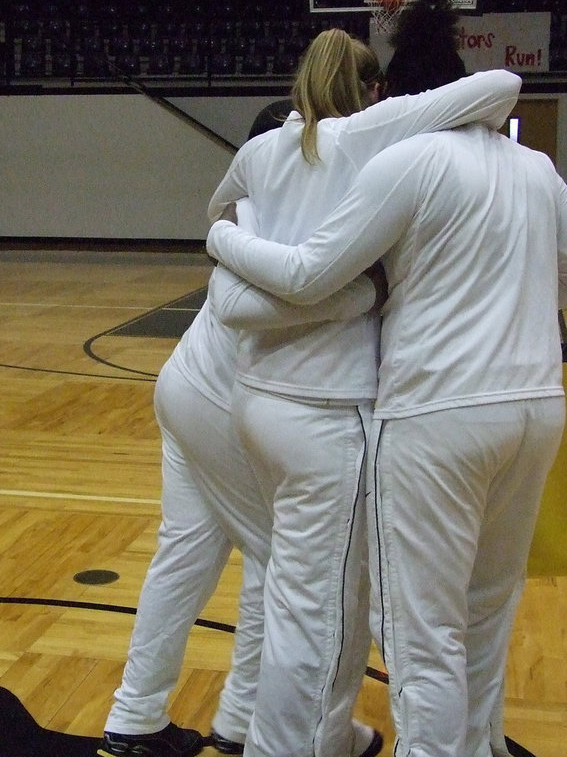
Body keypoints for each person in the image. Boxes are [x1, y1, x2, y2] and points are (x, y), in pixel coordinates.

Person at [206, 2, 567, 757]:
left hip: (436, 414)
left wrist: (223, 234)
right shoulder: (532, 166)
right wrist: (510, 291)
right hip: (534, 410)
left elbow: (310, 275)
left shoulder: (406, 161)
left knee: (421, 632)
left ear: (402, 99)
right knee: (488, 608)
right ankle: (477, 744)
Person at [97, 217, 382, 755]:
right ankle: (252, 723)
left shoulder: (264, 197)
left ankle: (137, 718)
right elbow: (260, 305)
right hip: (222, 398)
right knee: (286, 564)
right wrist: (368, 294)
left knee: (188, 553)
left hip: (186, 381)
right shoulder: (331, 211)